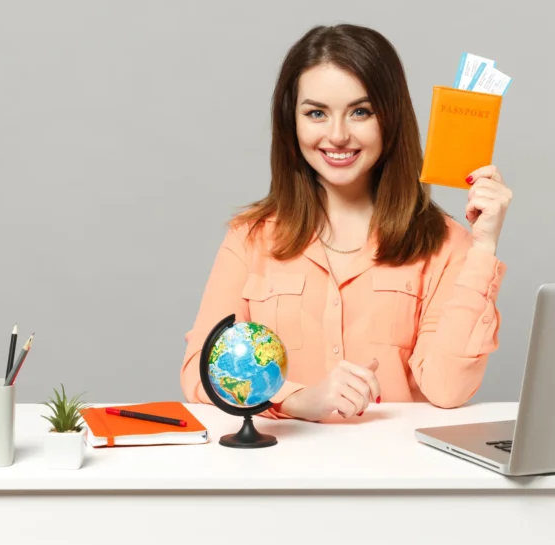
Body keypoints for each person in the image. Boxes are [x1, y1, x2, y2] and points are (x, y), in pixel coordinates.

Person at [180, 23, 512, 422]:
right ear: (292, 123)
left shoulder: (445, 244)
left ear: (390, 119)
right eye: (316, 113)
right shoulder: (250, 239)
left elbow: (447, 389)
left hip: (399, 475)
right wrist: (299, 400)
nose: (337, 136)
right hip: (280, 473)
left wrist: (484, 246)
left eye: (360, 112)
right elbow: (201, 370)